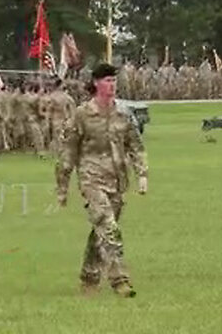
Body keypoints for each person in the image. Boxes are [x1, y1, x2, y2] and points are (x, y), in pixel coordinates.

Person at [55, 62, 148, 298]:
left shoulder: (124, 114)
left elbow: (136, 147)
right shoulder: (82, 114)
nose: (112, 85)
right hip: (91, 178)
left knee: (101, 231)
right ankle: (120, 280)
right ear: (96, 83)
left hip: (117, 180)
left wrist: (142, 175)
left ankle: (89, 276)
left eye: (114, 80)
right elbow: (68, 151)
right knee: (108, 227)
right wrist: (62, 187)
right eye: (107, 81)